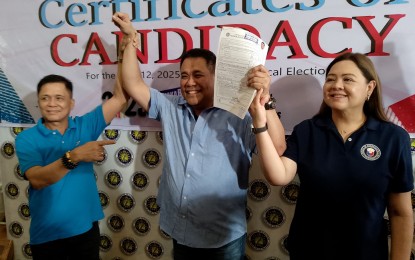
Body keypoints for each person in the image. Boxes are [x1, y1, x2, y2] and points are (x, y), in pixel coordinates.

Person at [112, 12, 286, 260]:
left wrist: (265, 102)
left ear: (216, 78)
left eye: (198, 75)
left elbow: (278, 148)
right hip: (180, 230)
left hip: (222, 238)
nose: (189, 82)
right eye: (183, 75)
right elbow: (132, 83)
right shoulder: (171, 107)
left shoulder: (239, 115)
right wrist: (129, 39)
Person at [250, 52, 414, 260]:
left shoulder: (393, 137)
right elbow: (278, 176)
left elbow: (401, 213)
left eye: (347, 79)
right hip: (309, 251)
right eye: (330, 79)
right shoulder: (307, 130)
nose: (336, 85)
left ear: (369, 88)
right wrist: (259, 123)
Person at [15, 72, 128, 259]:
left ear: (71, 103)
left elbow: (120, 98)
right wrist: (74, 156)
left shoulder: (85, 126)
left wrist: (123, 54)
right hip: (47, 234)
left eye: (59, 98)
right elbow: (37, 179)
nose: (52, 104)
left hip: (85, 231)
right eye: (45, 98)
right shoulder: (26, 139)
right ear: (38, 102)